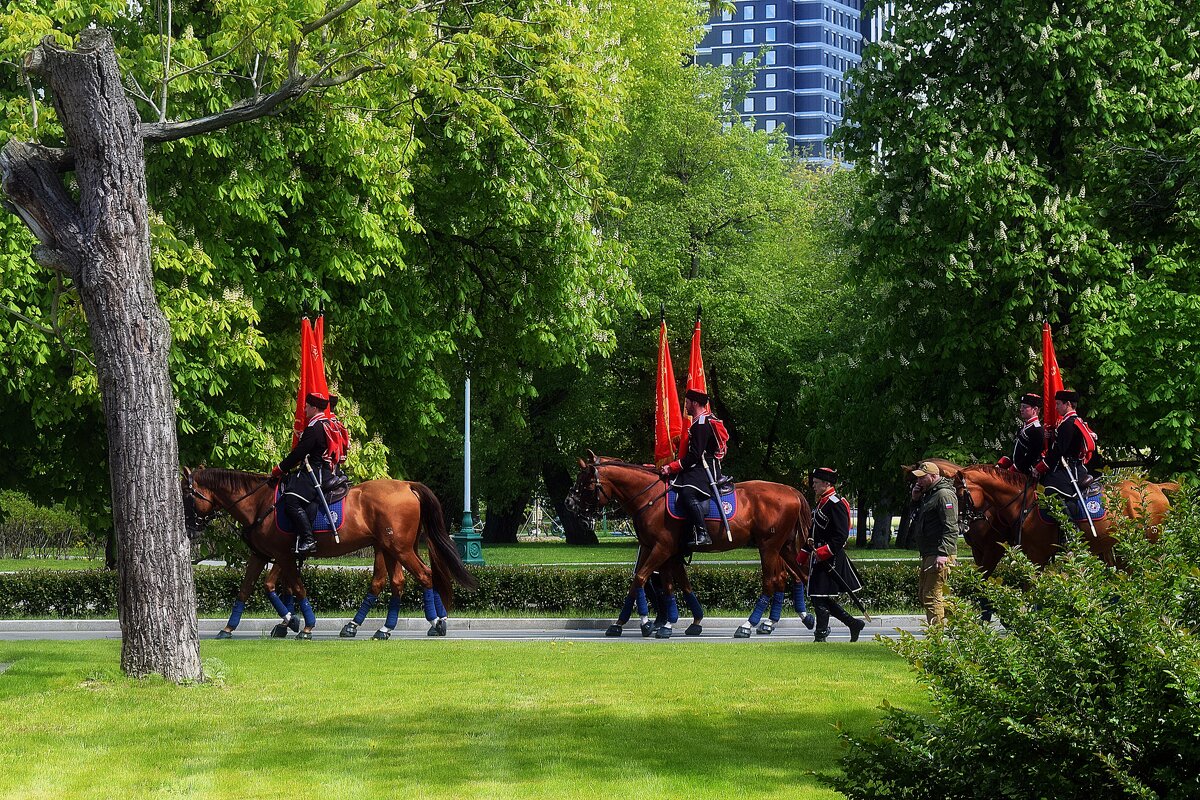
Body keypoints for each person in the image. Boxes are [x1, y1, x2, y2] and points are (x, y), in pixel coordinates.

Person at [658, 388, 729, 548]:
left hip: (706, 468)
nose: (686, 407)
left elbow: (695, 455)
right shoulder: (702, 421)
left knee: (688, 492)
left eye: (687, 403)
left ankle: (703, 533)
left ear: (695, 403)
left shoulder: (702, 423)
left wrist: (672, 467)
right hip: (700, 466)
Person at [807, 467, 866, 643]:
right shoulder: (822, 502)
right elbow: (814, 531)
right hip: (818, 555)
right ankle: (852, 624)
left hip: (830, 557)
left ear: (827, 483)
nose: (813, 486)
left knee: (819, 597)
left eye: (816, 483)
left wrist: (823, 553)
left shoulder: (836, 503)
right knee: (819, 596)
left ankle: (821, 635)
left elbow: (841, 535)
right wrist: (804, 553)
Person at [271, 392, 332, 554]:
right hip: (326, 469)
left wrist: (280, 468)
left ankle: (308, 539)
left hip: (315, 472)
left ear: (314, 407)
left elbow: (299, 453)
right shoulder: (328, 423)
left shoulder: (314, 427)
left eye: (306, 406)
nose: (304, 409)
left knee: (292, 500)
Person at [909, 460, 958, 625]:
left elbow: (951, 527)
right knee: (926, 594)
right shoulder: (929, 494)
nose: (918, 481)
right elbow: (917, 518)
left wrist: (943, 554)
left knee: (931, 596)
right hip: (930, 551)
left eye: (922, 478)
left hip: (938, 552)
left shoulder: (944, 495)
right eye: (918, 478)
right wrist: (915, 499)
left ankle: (937, 637)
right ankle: (960, 623)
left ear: (934, 476)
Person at [1034, 389, 1098, 499]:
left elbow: (1059, 450)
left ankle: (1068, 516)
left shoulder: (1068, 424)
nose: (1056, 407)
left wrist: (1040, 467)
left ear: (1068, 404)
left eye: (1058, 404)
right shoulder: (1073, 421)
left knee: (1050, 488)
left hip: (1071, 470)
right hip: (1069, 466)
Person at [996, 393, 1045, 475]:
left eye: (1025, 407)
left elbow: (1032, 456)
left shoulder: (1037, 430)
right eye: (1021, 406)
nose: (1021, 409)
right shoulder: (1024, 427)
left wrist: (1014, 469)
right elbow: (1017, 451)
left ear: (1035, 409)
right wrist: (1003, 463)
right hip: (1018, 470)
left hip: (1028, 472)